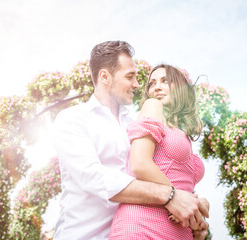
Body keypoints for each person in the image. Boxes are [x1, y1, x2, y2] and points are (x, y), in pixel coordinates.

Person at [53, 41, 209, 240]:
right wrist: (171, 196)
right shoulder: (73, 119)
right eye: (130, 77)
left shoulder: (135, 122)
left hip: (137, 227)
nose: (137, 85)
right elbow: (92, 177)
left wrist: (193, 209)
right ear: (104, 77)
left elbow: (163, 169)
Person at [109, 64, 209, 240]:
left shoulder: (181, 132)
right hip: (142, 226)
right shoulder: (153, 106)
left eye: (165, 81)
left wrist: (198, 216)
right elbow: (140, 164)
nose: (156, 87)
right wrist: (180, 198)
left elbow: (181, 186)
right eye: (152, 83)